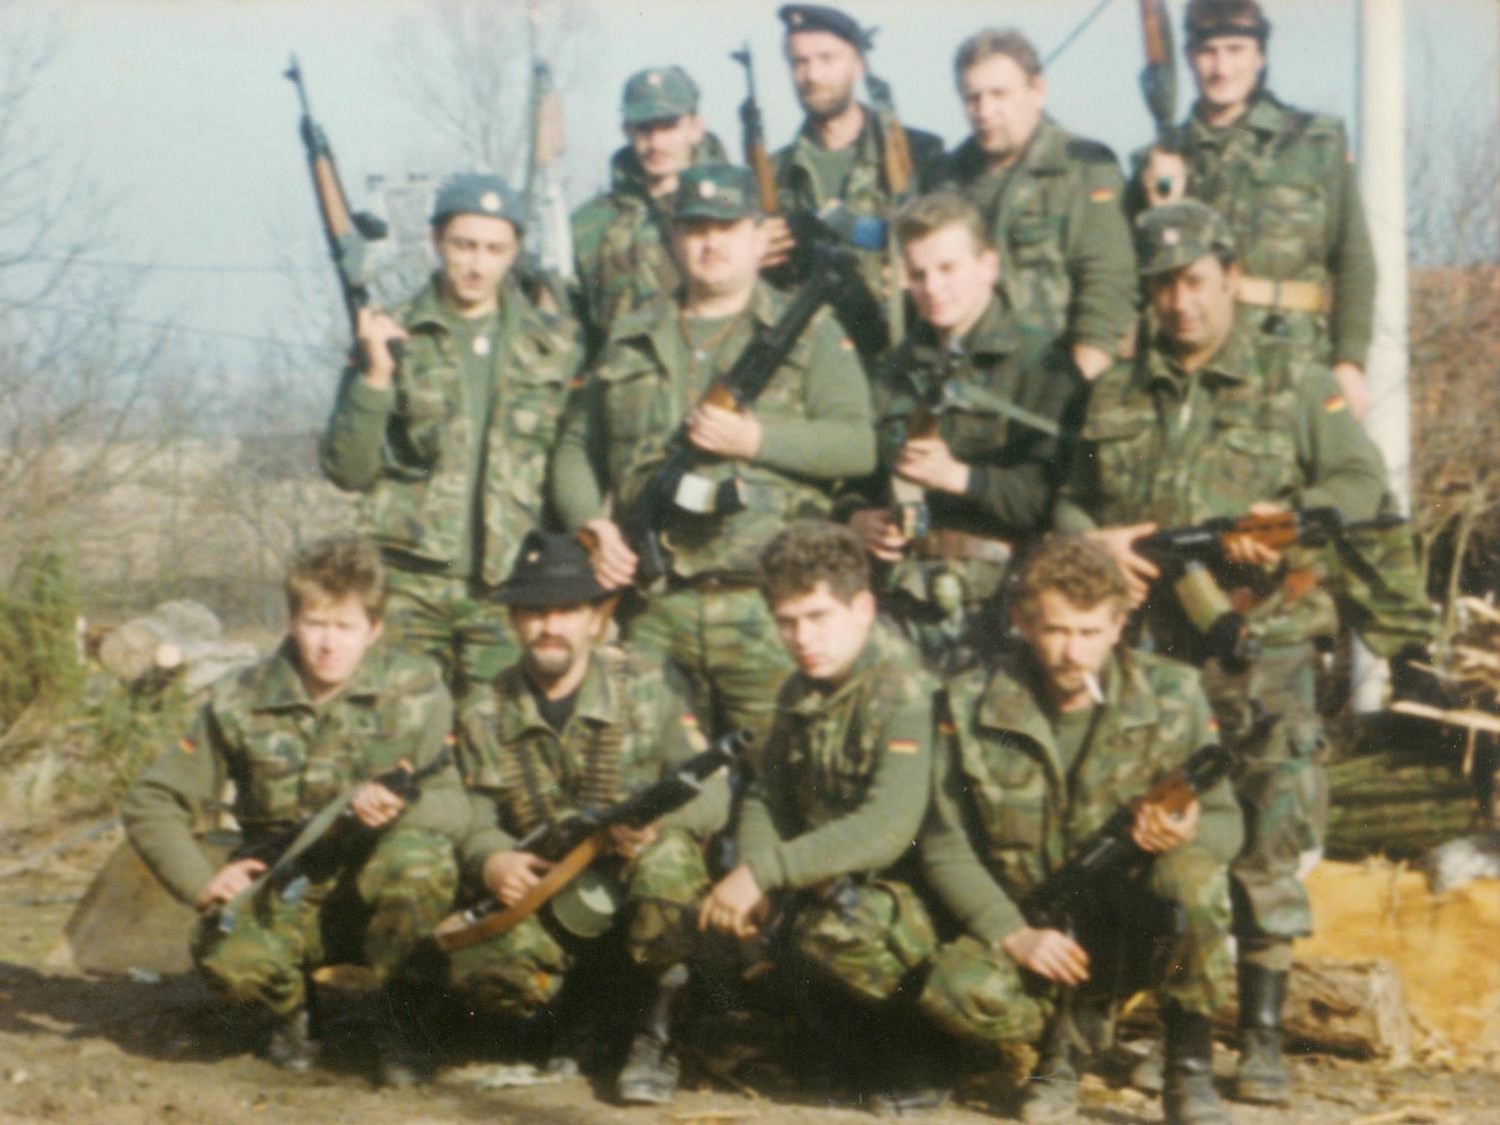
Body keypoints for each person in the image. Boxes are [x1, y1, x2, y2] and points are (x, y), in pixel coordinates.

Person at [1057, 201, 1391, 1106]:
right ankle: (1163, 1029)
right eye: (1163, 285)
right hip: (1153, 659)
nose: (1181, 301)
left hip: (1265, 648)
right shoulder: (1117, 391)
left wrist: (1282, 524)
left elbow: (1361, 485)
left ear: (1231, 278)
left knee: (1267, 838)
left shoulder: (1293, 378)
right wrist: (1100, 542)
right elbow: (1071, 501)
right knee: (1159, 836)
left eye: (1196, 281)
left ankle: (1264, 1039)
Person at [918, 534, 1242, 1124]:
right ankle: (1053, 1053)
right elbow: (944, 842)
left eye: (1090, 632)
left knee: (1194, 879)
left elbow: (1227, 823)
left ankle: (1188, 1068)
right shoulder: (969, 704)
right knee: (957, 989)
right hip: (1032, 918)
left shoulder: (1173, 695)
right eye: (1056, 631)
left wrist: (1186, 831)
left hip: (1134, 919)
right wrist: (1012, 933)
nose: (1073, 653)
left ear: (1120, 624)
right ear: (1022, 623)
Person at [552, 163, 875, 751]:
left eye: (727, 227)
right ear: (673, 240)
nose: (710, 243)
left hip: (772, 608)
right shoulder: (629, 337)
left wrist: (755, 440)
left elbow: (857, 445)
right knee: (652, 773)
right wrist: (592, 524)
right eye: (695, 229)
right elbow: (576, 445)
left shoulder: (810, 330)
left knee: (785, 767)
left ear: (758, 236)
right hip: (656, 606)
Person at [121, 538, 467, 1086]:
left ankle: (401, 1019)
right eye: (315, 624)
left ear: (374, 630)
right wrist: (203, 884)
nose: (328, 644)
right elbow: (152, 801)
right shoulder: (239, 698)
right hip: (288, 890)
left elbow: (457, 807)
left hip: (380, 890)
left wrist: (396, 811)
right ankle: (292, 1012)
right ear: (291, 621)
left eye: (345, 627)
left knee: (419, 861)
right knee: (228, 957)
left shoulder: (417, 690)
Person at [447, 530, 728, 1105]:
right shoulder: (483, 709)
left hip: (633, 889)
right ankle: (576, 1016)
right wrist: (492, 858)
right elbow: (473, 813)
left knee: (671, 861)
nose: (549, 625)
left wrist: (658, 828)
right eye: (533, 611)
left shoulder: (649, 686)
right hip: (548, 896)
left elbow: (715, 794)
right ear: (513, 621)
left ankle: (656, 1033)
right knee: (481, 970)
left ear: (596, 618)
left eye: (567, 610)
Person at [699, 520, 942, 1110]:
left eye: (818, 617)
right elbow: (766, 796)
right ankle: (834, 1041)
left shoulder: (906, 690)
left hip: (913, 897)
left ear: (862, 608)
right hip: (831, 879)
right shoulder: (800, 690)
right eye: (786, 621)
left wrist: (764, 873)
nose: (802, 637)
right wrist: (758, 877)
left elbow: (887, 829)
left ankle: (920, 1058)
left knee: (842, 931)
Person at [320, 172, 584, 699]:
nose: (477, 264)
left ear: (514, 253)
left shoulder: (555, 346)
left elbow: (574, 457)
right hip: (408, 585)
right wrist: (375, 378)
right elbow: (347, 469)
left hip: (510, 585)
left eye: (494, 249)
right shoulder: (391, 333)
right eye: (464, 245)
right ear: (436, 241)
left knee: (501, 731)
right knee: (399, 728)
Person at [841, 190, 1083, 671]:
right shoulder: (895, 369)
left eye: (948, 269)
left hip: (1000, 600)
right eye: (918, 274)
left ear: (988, 266)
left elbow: (1055, 496)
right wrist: (854, 518)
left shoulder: (1043, 365)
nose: (933, 287)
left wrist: (964, 478)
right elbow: (856, 475)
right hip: (901, 599)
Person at [1132, 0, 1376, 417]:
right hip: (1195, 367)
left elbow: (1353, 257)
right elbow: (1136, 277)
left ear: (1259, 57)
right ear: (1188, 58)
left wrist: (1350, 362)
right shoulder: (1159, 161)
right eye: (1208, 52)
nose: (1221, 67)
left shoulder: (1314, 143)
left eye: (1235, 50)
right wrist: (1161, 205)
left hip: (1295, 362)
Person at [940, 28, 1136, 380]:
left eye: (999, 94)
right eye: (972, 98)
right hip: (968, 378)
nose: (985, 111)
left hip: (1055, 374)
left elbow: (1106, 282)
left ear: (1037, 91)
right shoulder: (947, 179)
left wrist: (1076, 383)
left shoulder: (1082, 168)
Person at [767, 3, 946, 362]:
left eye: (827, 58)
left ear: (859, 64)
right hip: (809, 367)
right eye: (799, 62)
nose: (812, 74)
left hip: (902, 358)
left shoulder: (920, 156)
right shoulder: (774, 174)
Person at [572, 65, 729, 352]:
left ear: (695, 127)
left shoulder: (736, 212)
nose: (656, 143)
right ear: (626, 130)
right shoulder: (588, 227)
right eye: (644, 128)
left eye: (668, 126)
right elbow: (568, 330)